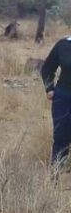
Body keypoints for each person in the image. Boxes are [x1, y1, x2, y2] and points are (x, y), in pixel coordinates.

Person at [41, 34, 71, 168]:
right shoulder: (63, 45)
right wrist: (49, 88)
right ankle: (56, 176)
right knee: (61, 136)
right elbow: (47, 68)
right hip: (63, 97)